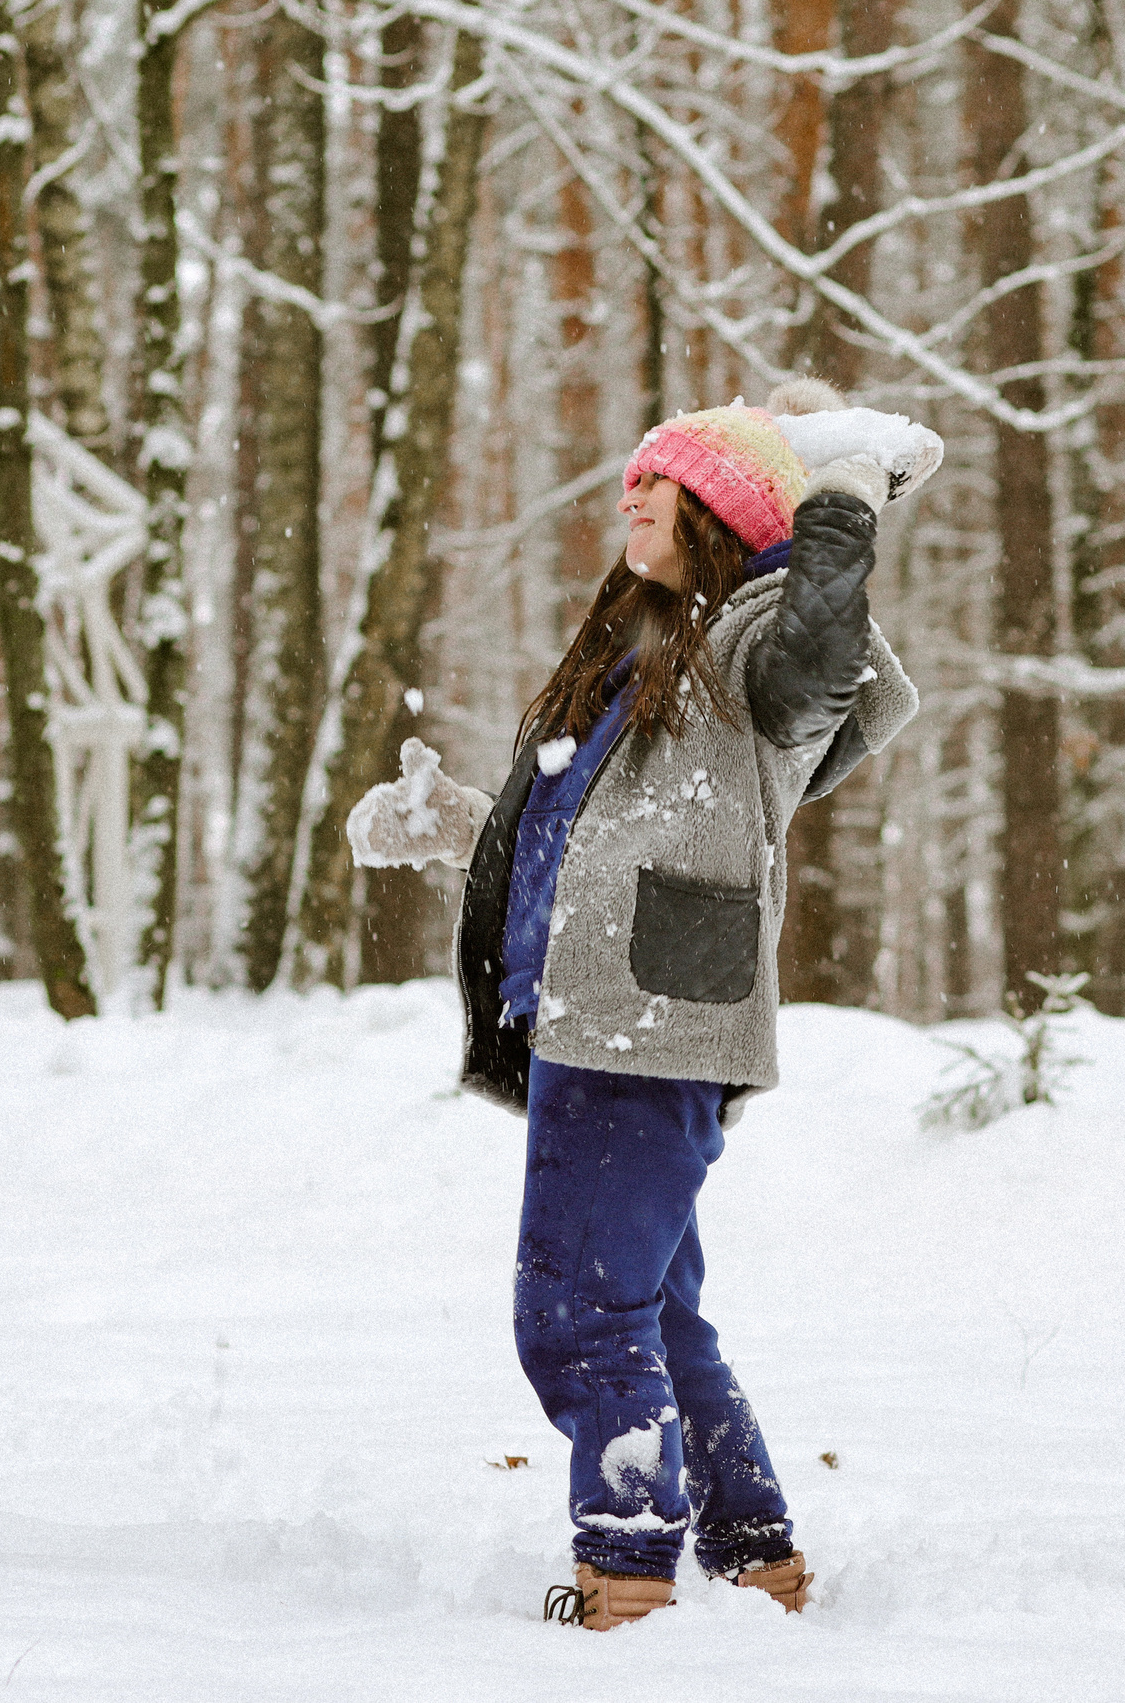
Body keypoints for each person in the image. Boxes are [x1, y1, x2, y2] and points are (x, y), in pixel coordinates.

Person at [351, 381, 936, 1630]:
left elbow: (827, 651)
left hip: (648, 1021)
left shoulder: (751, 653)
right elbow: (585, 844)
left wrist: (838, 489)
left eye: (655, 483)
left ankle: (627, 1575)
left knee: (573, 1307)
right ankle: (754, 1555)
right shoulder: (641, 658)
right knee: (649, 1308)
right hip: (593, 1015)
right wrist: (455, 824)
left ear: (715, 513)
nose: (629, 497)